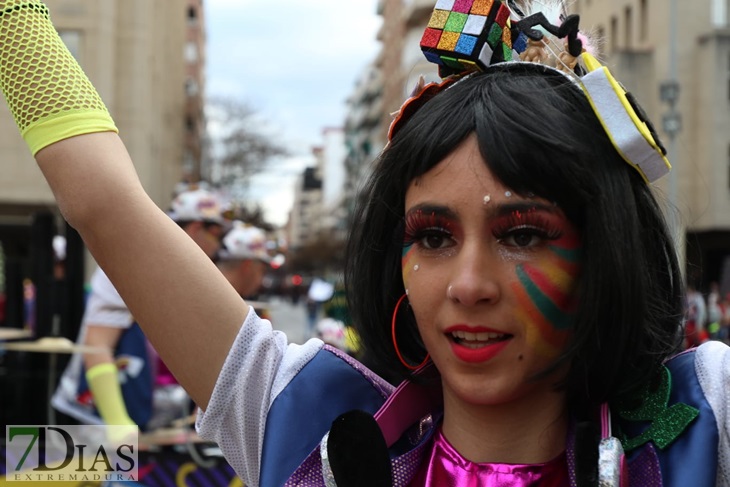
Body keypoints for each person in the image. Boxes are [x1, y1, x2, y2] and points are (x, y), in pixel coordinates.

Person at [2, 2, 729, 486]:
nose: (468, 282)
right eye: (434, 235)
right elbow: (102, 200)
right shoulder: (299, 418)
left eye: (524, 232)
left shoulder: (705, 424)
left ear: (605, 249)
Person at [51, 188, 224, 430]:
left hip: (143, 413)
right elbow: (97, 346)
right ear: (196, 228)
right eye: (217, 234)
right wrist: (117, 422)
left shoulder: (184, 271)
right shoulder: (132, 261)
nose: (219, 246)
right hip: (92, 414)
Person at [216, 220, 272, 318]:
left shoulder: (203, 290)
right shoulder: (223, 308)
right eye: (262, 270)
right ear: (248, 266)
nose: (261, 280)